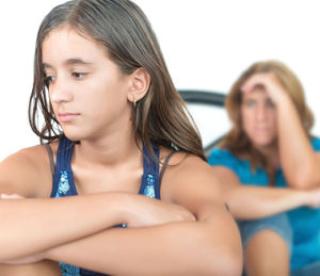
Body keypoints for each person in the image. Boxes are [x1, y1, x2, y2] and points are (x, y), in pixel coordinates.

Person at [0, 0, 242, 275]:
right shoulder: (35, 167)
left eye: (78, 74)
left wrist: (36, 240)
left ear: (136, 84)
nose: (57, 94)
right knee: (22, 267)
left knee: (17, 251)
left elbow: (222, 259)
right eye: (50, 77)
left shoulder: (177, 172)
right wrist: (123, 206)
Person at [208, 60, 320, 276]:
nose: (260, 116)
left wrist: (283, 98)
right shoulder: (225, 158)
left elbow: (304, 179)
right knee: (266, 216)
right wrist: (305, 197)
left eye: (271, 103)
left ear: (291, 110)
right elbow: (225, 200)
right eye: (251, 103)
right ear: (240, 111)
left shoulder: (314, 151)